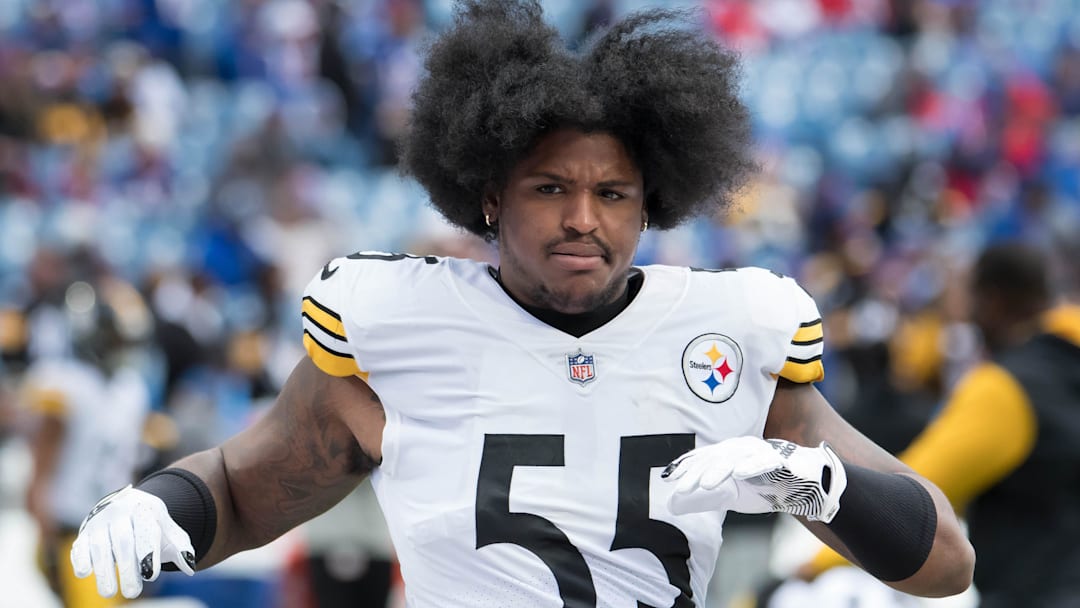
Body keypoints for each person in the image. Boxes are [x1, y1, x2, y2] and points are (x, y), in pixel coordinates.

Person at [69, 1, 974, 606]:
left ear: (654, 199)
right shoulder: (396, 329)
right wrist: (161, 505)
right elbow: (239, 491)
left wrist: (819, 485)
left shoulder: (732, 332)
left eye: (613, 193)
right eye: (549, 188)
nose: (583, 220)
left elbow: (945, 564)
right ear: (489, 193)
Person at [795, 241, 1080, 608]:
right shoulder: (1066, 365)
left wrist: (810, 568)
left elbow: (912, 502)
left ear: (992, 301)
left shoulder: (1006, 387)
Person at [23, 277, 156, 608]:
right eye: (116, 339)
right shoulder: (69, 386)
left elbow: (131, 465)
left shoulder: (131, 389)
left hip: (119, 530)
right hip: (74, 530)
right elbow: (41, 468)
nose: (122, 348)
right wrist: (46, 536)